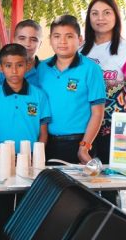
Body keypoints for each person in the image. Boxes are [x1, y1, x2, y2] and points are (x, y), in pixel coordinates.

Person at [0, 43, 52, 240]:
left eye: (19, 65)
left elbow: (43, 134)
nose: (14, 70)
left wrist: (32, 161)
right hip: (1, 163)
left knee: (26, 215)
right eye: (8, 65)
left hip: (29, 165)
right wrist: (3, 161)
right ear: (0, 68)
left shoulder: (38, 96)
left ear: (28, 66)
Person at [80, 0, 126, 163]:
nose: (100, 18)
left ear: (116, 16)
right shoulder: (80, 51)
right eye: (95, 13)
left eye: (107, 13)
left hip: (113, 132)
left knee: (110, 178)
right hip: (82, 129)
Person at [35, 15, 105, 167]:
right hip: (47, 143)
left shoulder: (91, 69)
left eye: (69, 36)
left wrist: (84, 147)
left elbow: (97, 113)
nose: (62, 41)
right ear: (50, 40)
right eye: (57, 36)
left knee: (79, 183)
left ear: (79, 40)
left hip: (79, 144)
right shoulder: (42, 68)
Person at [0, 19, 43, 86]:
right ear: (14, 41)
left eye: (33, 40)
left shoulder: (46, 71)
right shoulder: (0, 69)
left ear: (40, 44)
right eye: (22, 38)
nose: (27, 44)